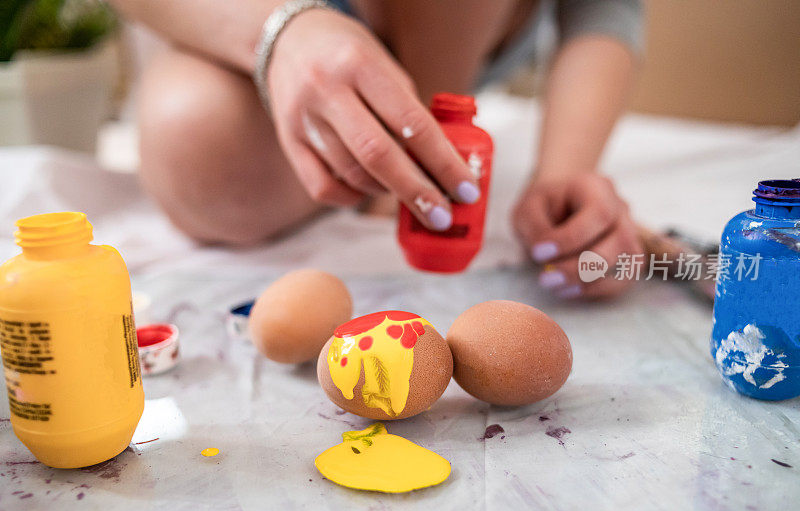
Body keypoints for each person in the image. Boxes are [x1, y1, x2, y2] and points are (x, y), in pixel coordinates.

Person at [110, 0, 645, 299]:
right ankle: (395, 161)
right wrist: (281, 29)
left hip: (459, 31)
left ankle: (408, 162)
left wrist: (562, 177)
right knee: (198, 148)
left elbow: (603, 9)